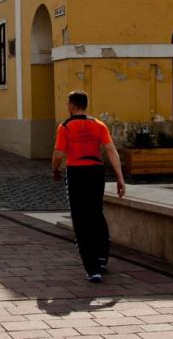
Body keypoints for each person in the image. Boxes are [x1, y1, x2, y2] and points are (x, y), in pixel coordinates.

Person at [51, 90, 125, 283]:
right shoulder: (98, 125)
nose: (67, 106)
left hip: (76, 173)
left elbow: (58, 154)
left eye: (68, 103)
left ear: (73, 105)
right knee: (96, 213)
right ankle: (102, 257)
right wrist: (120, 177)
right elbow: (111, 150)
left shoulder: (65, 127)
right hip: (96, 172)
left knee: (79, 219)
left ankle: (92, 269)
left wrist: (55, 169)